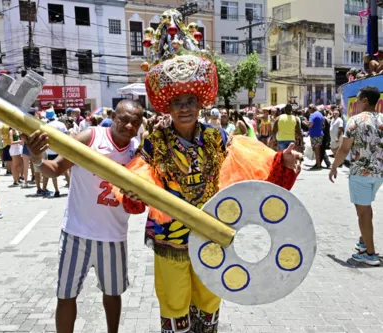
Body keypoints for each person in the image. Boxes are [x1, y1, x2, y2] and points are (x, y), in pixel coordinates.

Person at [117, 13, 302, 332]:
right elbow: (136, 185)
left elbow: (254, 169)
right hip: (170, 240)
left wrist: (281, 161)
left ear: (200, 103)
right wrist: (133, 194)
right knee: (175, 306)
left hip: (212, 234)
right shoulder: (155, 143)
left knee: (208, 303)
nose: (185, 107)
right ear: (168, 106)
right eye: (177, 102)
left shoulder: (219, 139)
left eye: (191, 100)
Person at [23, 99, 144, 333]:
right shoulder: (90, 137)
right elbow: (55, 168)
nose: (129, 126)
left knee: (113, 293)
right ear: (113, 117)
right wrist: (37, 159)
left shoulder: (136, 150)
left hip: (113, 235)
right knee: (66, 294)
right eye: (124, 120)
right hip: (76, 233)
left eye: (135, 122)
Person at [329, 86, 383, 266]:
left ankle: (371, 254)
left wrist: (334, 167)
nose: (356, 104)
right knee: (366, 210)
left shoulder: (355, 121)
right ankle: (363, 241)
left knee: (363, 212)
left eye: (358, 100)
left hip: (360, 173)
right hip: (379, 173)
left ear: (365, 100)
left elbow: (344, 148)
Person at [45, 110, 70, 197]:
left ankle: (56, 190)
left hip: (51, 150)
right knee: (65, 169)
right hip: (61, 150)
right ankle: (70, 187)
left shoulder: (46, 126)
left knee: (53, 171)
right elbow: (67, 136)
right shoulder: (61, 124)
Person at [303, 104, 324, 170]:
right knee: (317, 150)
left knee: (316, 151)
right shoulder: (320, 114)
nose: (308, 111)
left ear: (311, 109)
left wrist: (304, 122)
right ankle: (318, 164)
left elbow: (310, 125)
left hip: (315, 135)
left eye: (308, 110)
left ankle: (318, 165)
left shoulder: (313, 115)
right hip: (319, 134)